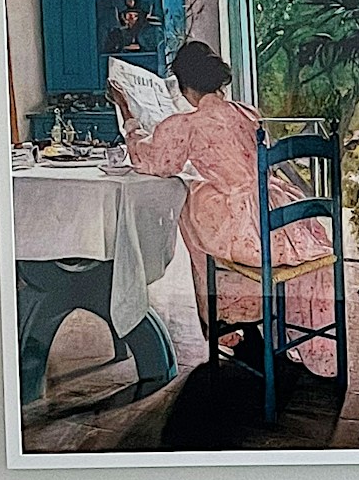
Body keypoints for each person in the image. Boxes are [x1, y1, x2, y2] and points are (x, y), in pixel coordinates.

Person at [119, 42, 337, 381]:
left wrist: (131, 120)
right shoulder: (246, 112)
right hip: (284, 217)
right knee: (198, 209)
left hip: (249, 228)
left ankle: (227, 323)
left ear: (184, 86)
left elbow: (153, 162)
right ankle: (244, 326)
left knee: (191, 211)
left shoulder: (187, 123)